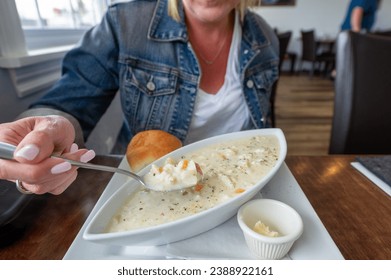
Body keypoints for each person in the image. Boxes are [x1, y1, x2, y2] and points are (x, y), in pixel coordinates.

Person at [0, 0, 278, 195]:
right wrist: (43, 136)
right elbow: (67, 101)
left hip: (241, 184)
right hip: (146, 186)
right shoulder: (125, 23)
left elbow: (263, 126)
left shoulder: (266, 38)